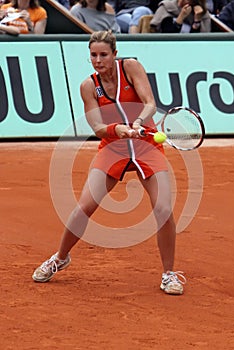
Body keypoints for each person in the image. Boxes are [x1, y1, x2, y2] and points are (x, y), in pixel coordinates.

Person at [32, 30, 186, 295]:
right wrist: (118, 130)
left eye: (103, 54)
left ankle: (169, 274)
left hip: (146, 145)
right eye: (93, 55)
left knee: (162, 209)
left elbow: (150, 103)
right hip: (113, 148)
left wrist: (137, 122)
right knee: (83, 208)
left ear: (114, 54)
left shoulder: (131, 67)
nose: (98, 60)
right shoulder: (88, 86)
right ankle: (60, 257)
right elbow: (97, 126)